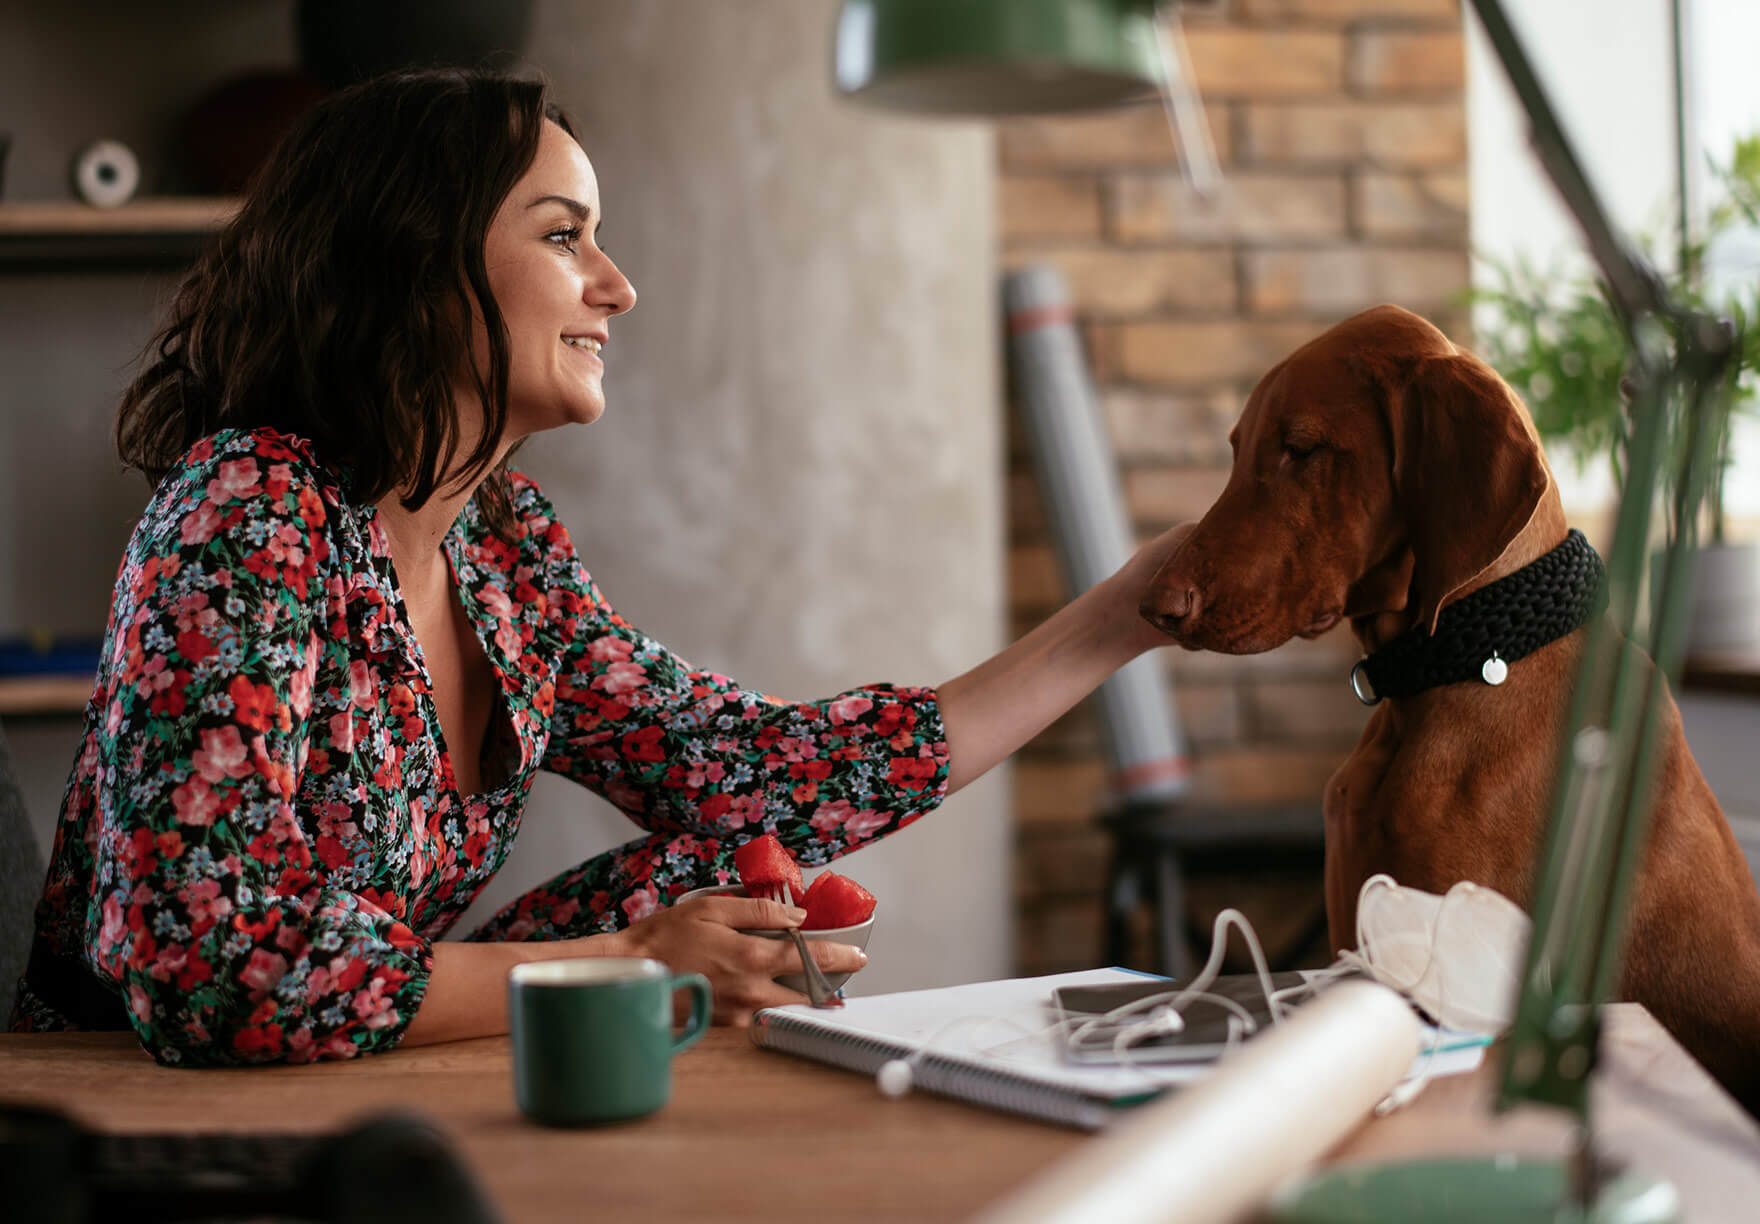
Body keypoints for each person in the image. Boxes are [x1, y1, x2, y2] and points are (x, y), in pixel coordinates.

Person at [9, 69, 1185, 1065]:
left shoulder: (505, 552)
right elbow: (209, 968)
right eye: (564, 235)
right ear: (414, 260)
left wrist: (1125, 614)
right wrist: (621, 962)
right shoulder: (247, 509)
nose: (614, 286)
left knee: (732, 869)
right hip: (127, 1118)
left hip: (349, 1079)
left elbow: (761, 778)